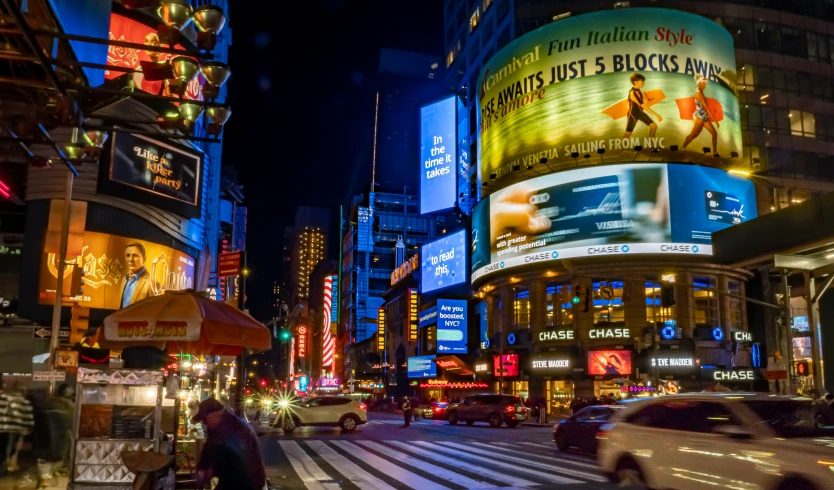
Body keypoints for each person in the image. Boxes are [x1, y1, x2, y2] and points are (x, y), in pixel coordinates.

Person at [192, 398, 266, 490]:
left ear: (215, 414)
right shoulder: (216, 427)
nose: (204, 423)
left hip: (247, 481)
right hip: (231, 478)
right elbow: (209, 449)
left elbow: (235, 460)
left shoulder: (236, 428)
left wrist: (213, 470)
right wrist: (203, 467)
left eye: (205, 419)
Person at [33, 384, 73, 489]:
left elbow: (37, 423)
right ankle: (45, 480)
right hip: (60, 441)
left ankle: (44, 479)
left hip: (44, 439)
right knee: (55, 461)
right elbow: (71, 425)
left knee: (43, 461)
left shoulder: (46, 404)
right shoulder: (68, 408)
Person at [682, 75, 721, 157]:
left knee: (714, 134)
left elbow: (705, 109)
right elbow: (706, 107)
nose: (705, 85)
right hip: (699, 116)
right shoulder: (698, 93)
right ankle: (683, 147)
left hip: (704, 116)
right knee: (693, 135)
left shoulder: (701, 91)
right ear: (699, 83)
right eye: (704, 83)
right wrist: (715, 120)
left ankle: (715, 153)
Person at [0, 380, 33, 474]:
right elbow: (28, 417)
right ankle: (8, 465)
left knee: (3, 448)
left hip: (2, 428)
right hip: (16, 429)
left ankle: (4, 465)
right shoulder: (25, 402)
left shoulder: (3, 398)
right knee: (11, 448)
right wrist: (28, 428)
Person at [623, 72, 662, 142]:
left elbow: (640, 101)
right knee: (628, 134)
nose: (643, 84)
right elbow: (642, 105)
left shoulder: (638, 90)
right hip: (633, 115)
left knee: (654, 126)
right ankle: (622, 149)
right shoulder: (632, 92)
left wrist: (647, 100)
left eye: (643, 82)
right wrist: (656, 115)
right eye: (642, 82)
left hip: (640, 113)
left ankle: (651, 145)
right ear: (635, 82)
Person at [118, 242, 158, 308]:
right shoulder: (124, 280)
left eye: (135, 255)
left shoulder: (152, 283)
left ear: (144, 258)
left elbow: (154, 311)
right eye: (128, 255)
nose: (130, 259)